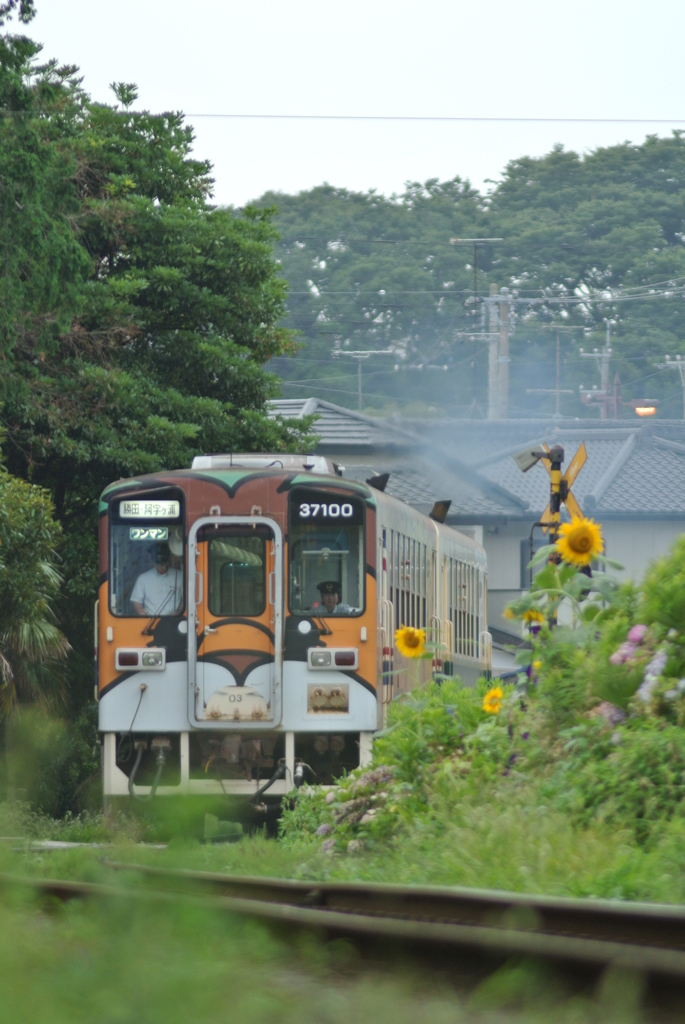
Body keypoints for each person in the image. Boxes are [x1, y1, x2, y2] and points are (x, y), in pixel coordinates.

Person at [131, 542, 183, 616]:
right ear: (153, 562)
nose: (162, 567)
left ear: (168, 561)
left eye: (163, 563)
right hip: (151, 620)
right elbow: (136, 601)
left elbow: (187, 599)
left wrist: (179, 611)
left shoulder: (180, 576)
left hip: (174, 620)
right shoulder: (143, 578)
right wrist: (140, 610)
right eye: (159, 564)